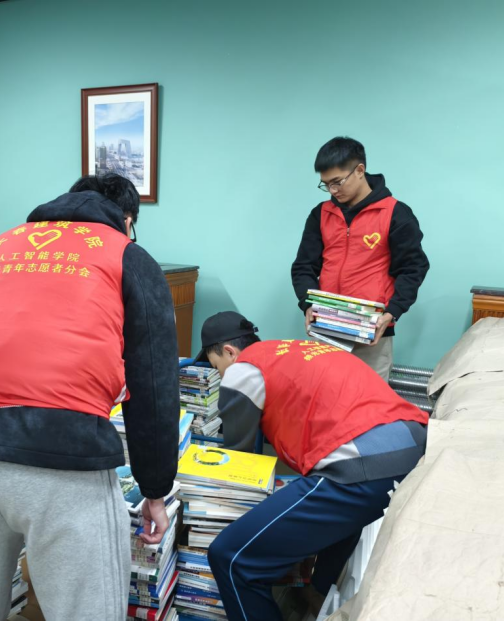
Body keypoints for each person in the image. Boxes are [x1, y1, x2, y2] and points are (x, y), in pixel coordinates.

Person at [0, 173, 180, 621]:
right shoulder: (126, 255)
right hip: (62, 454)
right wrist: (155, 490)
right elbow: (154, 386)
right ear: (126, 219)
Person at [196, 311, 429, 621]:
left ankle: (306, 594)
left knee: (230, 557)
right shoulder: (296, 350)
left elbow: (236, 456)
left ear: (229, 352)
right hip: (413, 445)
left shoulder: (244, 367)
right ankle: (316, 593)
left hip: (362, 462)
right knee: (343, 518)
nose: (221, 376)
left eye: (217, 368)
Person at [291, 137, 430, 381]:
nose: (333, 191)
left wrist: (392, 312)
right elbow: (303, 267)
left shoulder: (395, 213)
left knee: (369, 400)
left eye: (337, 182)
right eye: (326, 184)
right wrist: (307, 303)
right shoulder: (320, 214)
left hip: (372, 329)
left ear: (359, 170)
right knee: (326, 395)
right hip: (327, 325)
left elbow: (413, 268)